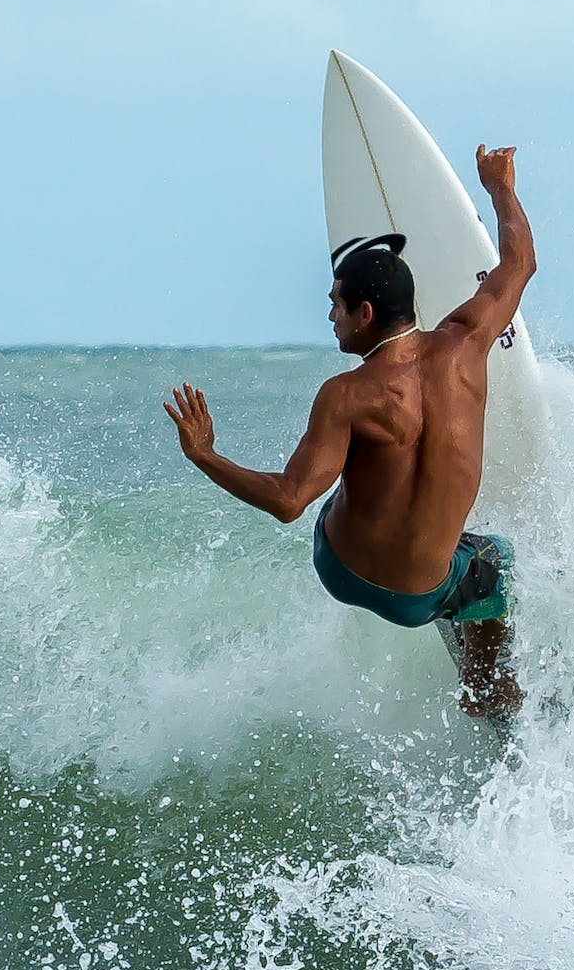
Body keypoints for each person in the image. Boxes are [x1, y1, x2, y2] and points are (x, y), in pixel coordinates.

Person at [165, 143, 536, 720]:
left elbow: (289, 502)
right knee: (495, 560)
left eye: (337, 305)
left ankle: (469, 656)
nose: (330, 316)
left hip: (341, 569)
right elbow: (518, 265)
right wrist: (500, 189)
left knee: (352, 472)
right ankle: (485, 688)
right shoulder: (469, 345)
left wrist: (205, 455)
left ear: (365, 314)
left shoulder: (347, 394)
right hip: (420, 599)